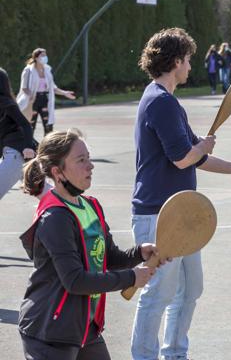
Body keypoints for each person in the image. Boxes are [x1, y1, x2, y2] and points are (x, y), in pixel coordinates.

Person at [130, 28, 231, 360]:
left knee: (190, 289)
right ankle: (145, 356)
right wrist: (202, 146)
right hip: (158, 214)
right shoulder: (160, 102)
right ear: (176, 61)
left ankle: (174, 353)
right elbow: (184, 158)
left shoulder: (168, 101)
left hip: (183, 214)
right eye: (189, 59)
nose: (191, 65)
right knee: (158, 293)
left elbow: (198, 156)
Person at [18, 129, 164, 360]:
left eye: (89, 157)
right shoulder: (55, 217)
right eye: (81, 160)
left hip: (84, 327)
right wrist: (131, 278)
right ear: (58, 172)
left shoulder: (91, 206)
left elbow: (110, 257)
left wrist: (139, 253)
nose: (90, 166)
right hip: (50, 331)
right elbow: (75, 280)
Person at [16, 48, 75, 135]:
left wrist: (65, 93)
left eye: (45, 55)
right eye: (42, 55)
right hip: (32, 100)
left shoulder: (47, 70)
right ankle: (29, 146)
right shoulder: (28, 70)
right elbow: (24, 87)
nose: (45, 57)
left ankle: (47, 146)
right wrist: (30, 96)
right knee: (31, 126)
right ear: (36, 57)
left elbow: (52, 88)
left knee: (48, 126)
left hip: (44, 99)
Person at [0, 68, 37, 200]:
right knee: (42, 191)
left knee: (42, 190)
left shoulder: (5, 103)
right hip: (13, 155)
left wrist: (28, 147)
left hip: (17, 153)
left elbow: (26, 125)